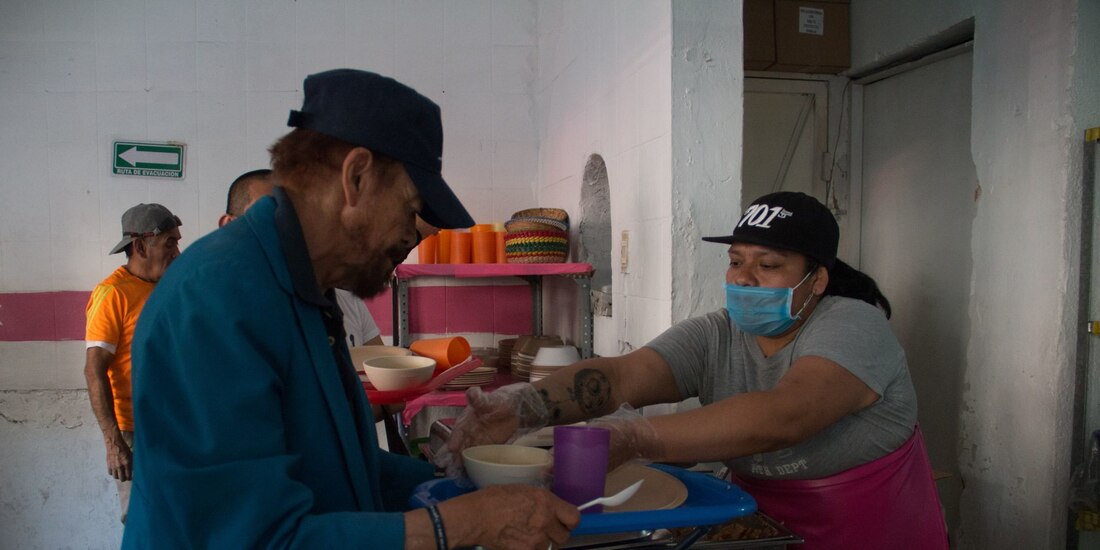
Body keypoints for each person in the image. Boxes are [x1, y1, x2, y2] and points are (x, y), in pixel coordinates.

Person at [123, 69, 578, 549]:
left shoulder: (306, 291)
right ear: (356, 177)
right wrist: (462, 524)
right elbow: (256, 538)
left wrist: (463, 482)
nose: (412, 235)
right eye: (410, 209)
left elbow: (337, 467)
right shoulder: (216, 300)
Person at [443, 192, 948, 550]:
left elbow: (783, 417)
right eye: (735, 261)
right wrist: (522, 406)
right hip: (758, 529)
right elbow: (621, 377)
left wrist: (637, 437)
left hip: (874, 532)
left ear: (817, 281)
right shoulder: (718, 333)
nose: (744, 278)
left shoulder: (853, 325)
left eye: (768, 265)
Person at [84, 203, 182, 524]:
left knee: (177, 518)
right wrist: (113, 442)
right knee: (141, 522)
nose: (177, 252)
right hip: (133, 432)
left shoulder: (168, 287)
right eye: (169, 242)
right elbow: (94, 370)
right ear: (140, 246)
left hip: (175, 425)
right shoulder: (112, 294)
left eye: (177, 242)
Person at [220, 168, 383, 347]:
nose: (288, 231)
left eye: (297, 220)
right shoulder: (216, 308)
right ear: (228, 225)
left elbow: (382, 363)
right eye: (268, 216)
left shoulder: (342, 300)